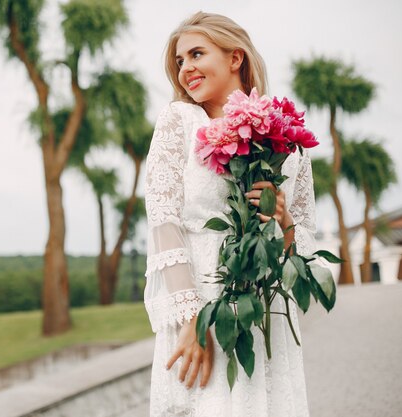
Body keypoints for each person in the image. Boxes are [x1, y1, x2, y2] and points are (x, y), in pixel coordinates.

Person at [143, 11, 314, 416]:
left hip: (263, 312)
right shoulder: (179, 121)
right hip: (199, 305)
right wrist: (192, 320)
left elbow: (304, 246)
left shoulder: (286, 137)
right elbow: (163, 221)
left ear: (235, 58)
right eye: (180, 61)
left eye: (196, 54)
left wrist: (283, 218)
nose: (186, 69)